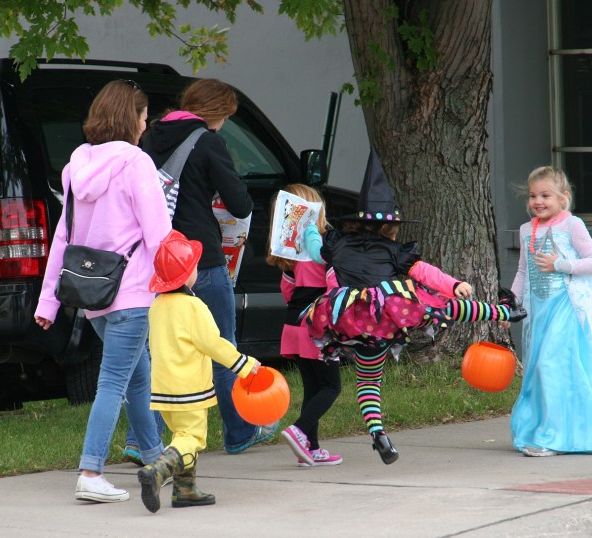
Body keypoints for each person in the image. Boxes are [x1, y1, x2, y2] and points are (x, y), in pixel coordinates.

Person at [301, 149, 526, 465]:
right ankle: (504, 312)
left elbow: (314, 250)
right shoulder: (395, 250)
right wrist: (454, 285)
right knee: (443, 308)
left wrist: (310, 226)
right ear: (390, 227)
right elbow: (424, 273)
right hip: (382, 316)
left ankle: (378, 432)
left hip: (347, 319)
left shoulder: (337, 243)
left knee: (367, 380)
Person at [34, 79, 171, 502]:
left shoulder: (77, 164)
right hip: (132, 292)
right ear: (132, 118)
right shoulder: (137, 163)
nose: (145, 125)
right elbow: (158, 232)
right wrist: (177, 282)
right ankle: (91, 472)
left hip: (93, 296)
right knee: (113, 382)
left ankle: (156, 460)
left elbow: (64, 237)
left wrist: (48, 302)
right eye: (144, 117)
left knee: (137, 379)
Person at [140, 78, 278, 455]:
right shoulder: (208, 141)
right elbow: (240, 204)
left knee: (156, 351)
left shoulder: (150, 137)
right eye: (225, 117)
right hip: (199, 258)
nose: (223, 125)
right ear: (216, 113)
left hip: (158, 261)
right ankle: (239, 431)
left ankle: (143, 441)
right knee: (221, 344)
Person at [507, 166, 592, 457]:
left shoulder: (572, 225)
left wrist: (561, 264)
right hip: (540, 313)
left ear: (562, 198)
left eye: (545, 195)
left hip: (568, 308)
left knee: (551, 365)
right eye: (533, 196)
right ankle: (557, 432)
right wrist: (510, 306)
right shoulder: (526, 230)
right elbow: (523, 271)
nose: (538, 201)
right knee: (541, 370)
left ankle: (553, 438)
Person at [137, 230, 261, 513]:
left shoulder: (157, 306)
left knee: (181, 435)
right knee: (192, 438)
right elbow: (213, 343)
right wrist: (243, 365)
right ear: (187, 275)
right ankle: (158, 470)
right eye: (193, 266)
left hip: (163, 390)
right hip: (189, 388)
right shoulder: (194, 306)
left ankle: (186, 490)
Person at [266, 184, 343, 467]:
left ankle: (311, 448)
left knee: (313, 387)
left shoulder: (293, 253)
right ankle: (299, 430)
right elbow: (335, 288)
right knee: (331, 386)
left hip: (293, 325)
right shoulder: (324, 249)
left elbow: (287, 291)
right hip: (317, 328)